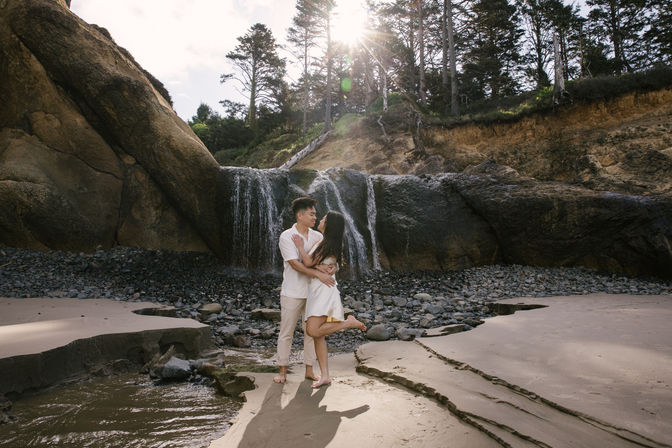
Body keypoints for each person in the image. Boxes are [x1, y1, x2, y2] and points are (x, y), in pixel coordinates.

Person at [292, 211, 367, 388]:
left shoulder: (324, 243)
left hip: (322, 291)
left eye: (324, 219)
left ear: (329, 225)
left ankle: (349, 323)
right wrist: (328, 266)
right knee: (319, 337)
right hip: (318, 290)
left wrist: (301, 247)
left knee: (313, 330)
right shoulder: (329, 243)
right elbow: (325, 263)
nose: (321, 220)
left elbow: (309, 263)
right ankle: (325, 375)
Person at [275, 197, 336, 384]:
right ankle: (282, 371)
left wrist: (331, 268)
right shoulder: (287, 236)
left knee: (312, 333)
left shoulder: (318, 237)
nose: (315, 217)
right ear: (300, 216)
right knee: (287, 332)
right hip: (292, 292)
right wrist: (319, 273)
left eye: (316, 214)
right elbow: (295, 265)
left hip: (313, 293)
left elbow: (324, 260)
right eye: (311, 214)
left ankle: (309, 370)